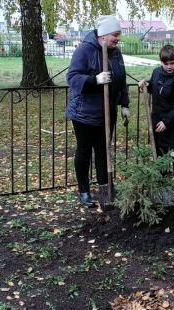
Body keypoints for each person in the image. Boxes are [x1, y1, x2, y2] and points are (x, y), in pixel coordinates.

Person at [66, 16, 129, 207]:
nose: (117, 38)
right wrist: (95, 79)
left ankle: (105, 189)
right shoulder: (85, 50)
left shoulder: (115, 53)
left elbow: (121, 80)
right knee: (84, 151)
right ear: (103, 35)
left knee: (103, 151)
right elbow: (72, 78)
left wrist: (124, 104)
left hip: (107, 112)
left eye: (118, 35)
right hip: (84, 113)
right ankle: (84, 191)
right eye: (115, 35)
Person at [138, 45, 174, 196]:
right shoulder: (157, 72)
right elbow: (155, 85)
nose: (168, 67)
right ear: (161, 62)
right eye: (165, 63)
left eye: (172, 63)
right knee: (160, 153)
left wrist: (167, 122)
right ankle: (161, 183)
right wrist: (146, 84)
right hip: (158, 120)